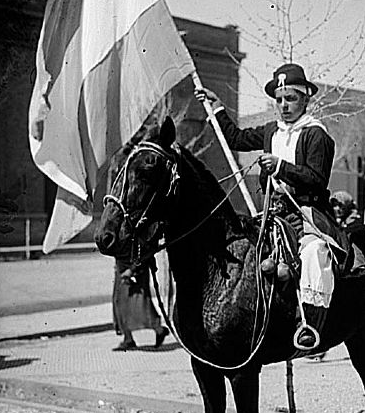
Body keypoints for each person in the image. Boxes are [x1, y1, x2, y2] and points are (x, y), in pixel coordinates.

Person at [194, 62, 343, 352]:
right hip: (273, 213)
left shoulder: (316, 134)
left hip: (307, 214)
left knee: (314, 253)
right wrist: (218, 107)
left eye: (291, 99)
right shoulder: (271, 131)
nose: (284, 106)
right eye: (279, 100)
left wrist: (281, 167)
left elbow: (316, 179)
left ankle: (310, 326)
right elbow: (236, 138)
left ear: (305, 100)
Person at [107, 141, 169, 351]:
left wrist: (133, 269)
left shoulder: (143, 216)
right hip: (121, 265)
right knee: (119, 302)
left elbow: (148, 246)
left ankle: (158, 329)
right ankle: (128, 338)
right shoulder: (125, 212)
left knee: (139, 303)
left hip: (134, 266)